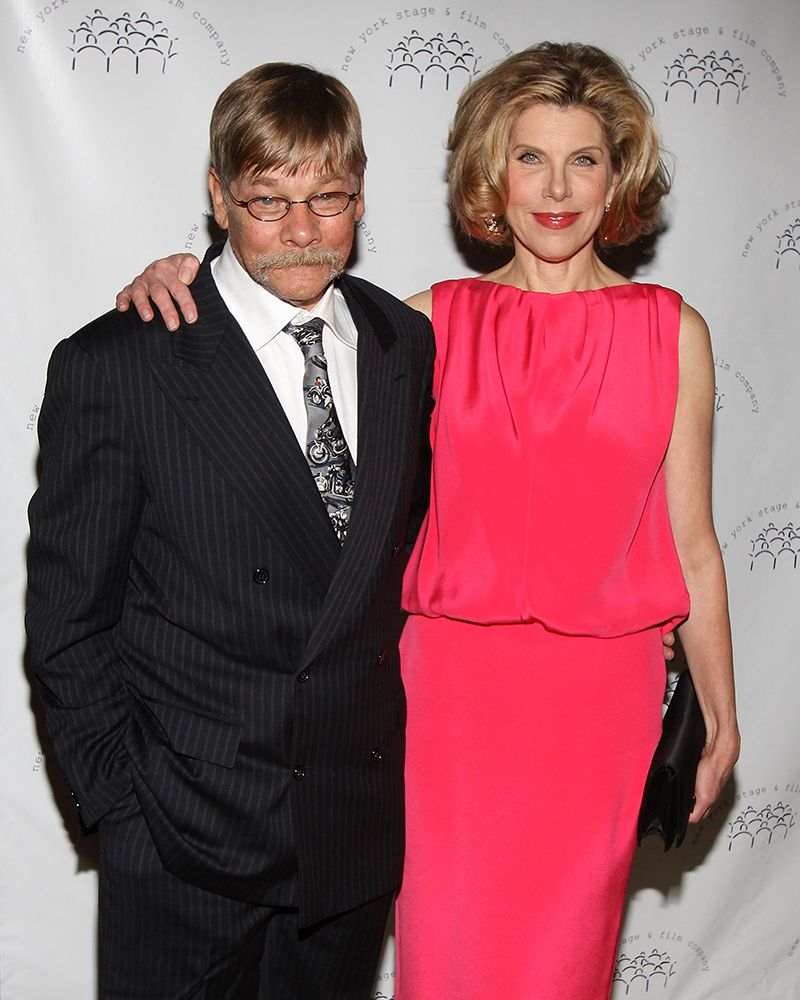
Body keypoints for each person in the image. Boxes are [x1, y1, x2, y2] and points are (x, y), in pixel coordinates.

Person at [116, 43, 738, 1000]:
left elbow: (692, 542)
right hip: (451, 703)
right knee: (446, 962)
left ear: (620, 174)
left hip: (599, 707)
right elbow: (276, 312)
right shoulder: (425, 326)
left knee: (563, 967)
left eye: (584, 160)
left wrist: (720, 719)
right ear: (494, 171)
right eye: (531, 157)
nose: (557, 188)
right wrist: (178, 278)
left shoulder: (672, 331)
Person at [26, 63, 434, 1000]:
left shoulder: (401, 344)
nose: (301, 231)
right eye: (267, 201)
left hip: (348, 835)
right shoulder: (123, 362)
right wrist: (126, 807)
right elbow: (66, 620)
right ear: (217, 197)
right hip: (185, 842)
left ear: (361, 194)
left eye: (328, 199)